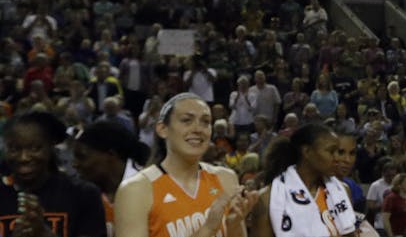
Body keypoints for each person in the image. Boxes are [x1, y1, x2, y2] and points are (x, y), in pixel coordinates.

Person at [113, 93, 259, 237]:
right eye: (186, 120)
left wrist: (233, 226)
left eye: (205, 122)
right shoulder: (135, 190)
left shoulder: (226, 177)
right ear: (162, 129)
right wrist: (207, 230)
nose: (198, 129)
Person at [0, 111, 107, 237]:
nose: (24, 158)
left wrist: (43, 233)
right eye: (14, 149)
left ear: (50, 147)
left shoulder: (82, 194)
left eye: (35, 148)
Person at [251, 124, 359, 237]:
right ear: (307, 151)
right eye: (331, 151)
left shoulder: (342, 190)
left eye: (338, 152)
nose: (337, 158)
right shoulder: (268, 198)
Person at [73, 119, 149, 234]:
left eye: (82, 157)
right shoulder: (84, 193)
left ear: (111, 155)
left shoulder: (152, 187)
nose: (75, 164)